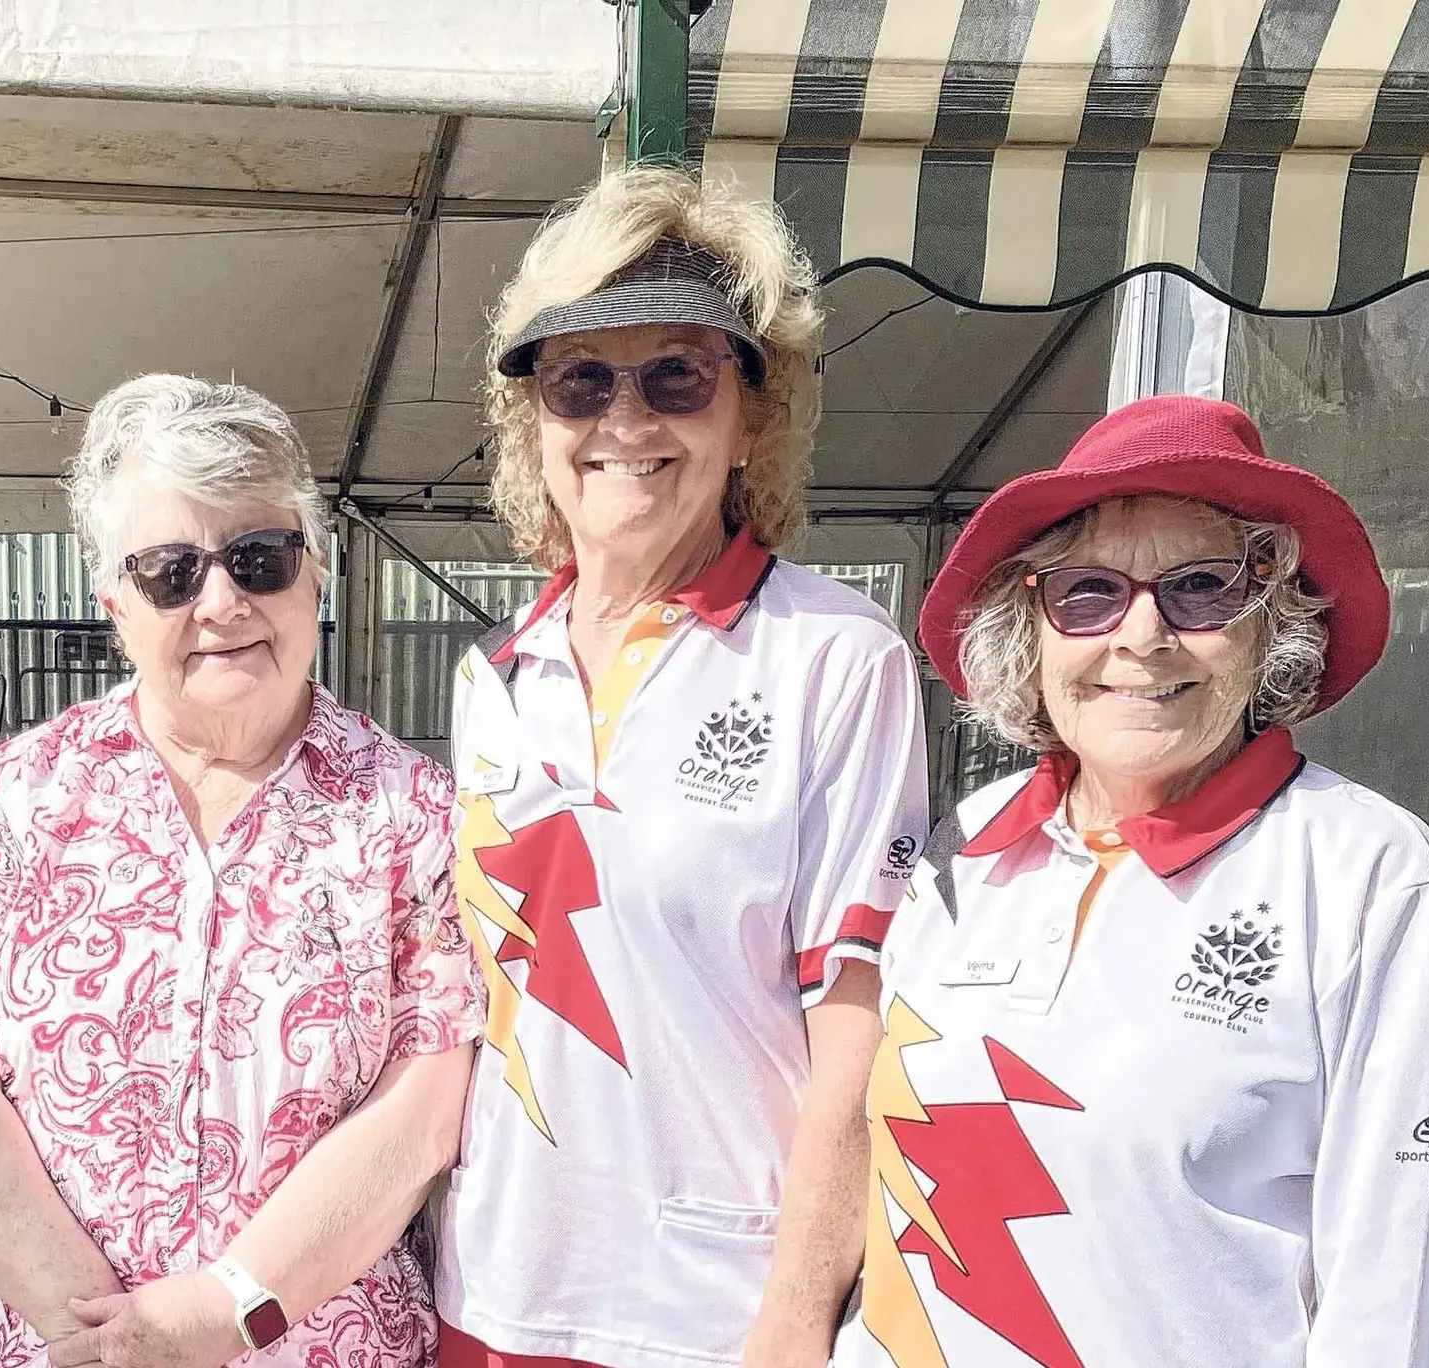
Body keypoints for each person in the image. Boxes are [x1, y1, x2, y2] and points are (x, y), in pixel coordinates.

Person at [834, 395, 1429, 1368]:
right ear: (1029, 627)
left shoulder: (1366, 879)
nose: (1141, 636)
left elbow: (1405, 1299)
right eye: (1088, 593)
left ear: (1272, 616)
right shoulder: (965, 849)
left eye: (1199, 587)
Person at [0, 373, 480, 1368]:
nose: (222, 601)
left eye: (258, 558)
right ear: (113, 602)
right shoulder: (20, 797)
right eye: (171, 572)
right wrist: (105, 1338)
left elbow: (424, 1102)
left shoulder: (410, 811)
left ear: (315, 568)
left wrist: (225, 1310)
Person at [430, 166, 930, 1368]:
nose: (624, 422)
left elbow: (857, 1028)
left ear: (753, 411)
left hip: (706, 1315)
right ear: (531, 422)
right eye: (579, 381)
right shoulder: (494, 675)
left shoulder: (836, 660)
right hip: (490, 1293)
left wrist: (795, 1322)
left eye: (676, 377)